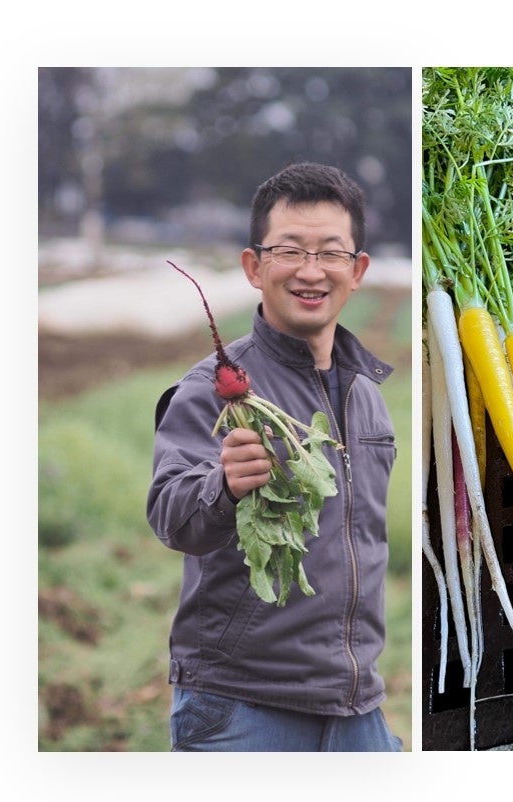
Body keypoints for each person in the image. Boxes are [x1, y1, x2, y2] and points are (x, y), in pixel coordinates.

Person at [147, 162, 402, 751]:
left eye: (331, 253)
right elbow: (169, 515)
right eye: (290, 251)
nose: (311, 271)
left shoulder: (367, 393)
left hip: (356, 704)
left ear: (357, 269)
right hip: (243, 704)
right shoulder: (210, 388)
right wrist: (223, 485)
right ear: (254, 267)